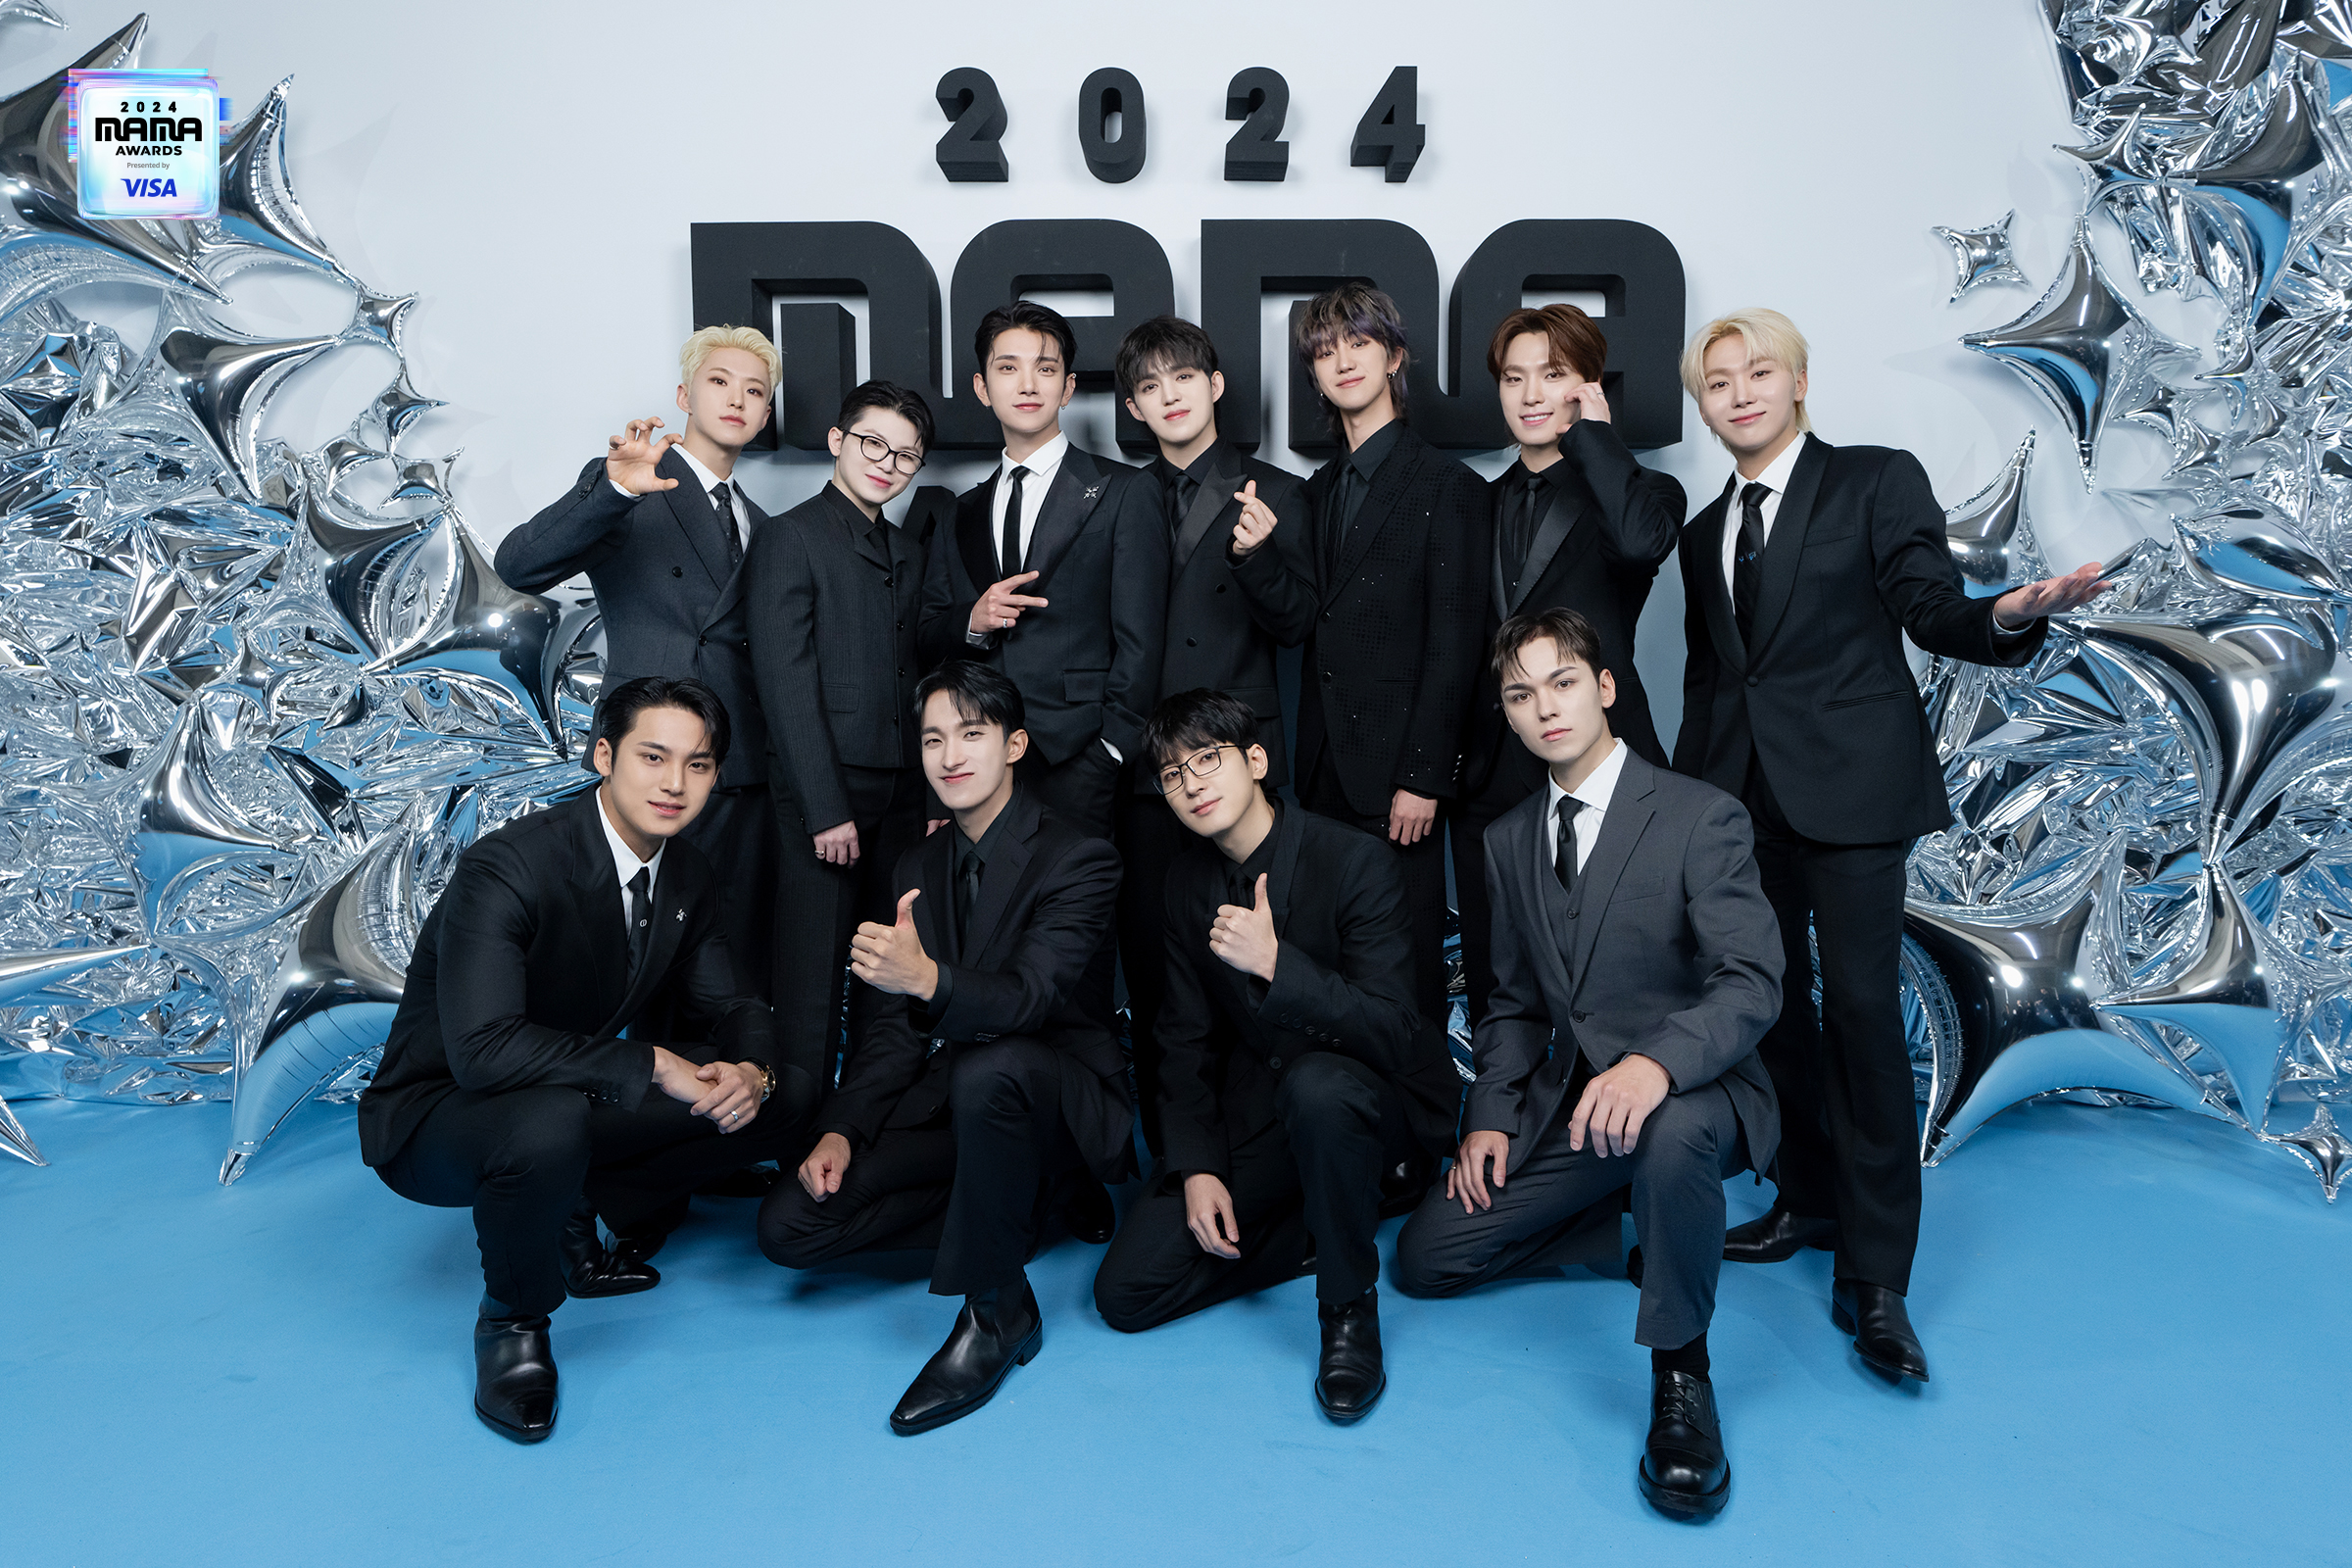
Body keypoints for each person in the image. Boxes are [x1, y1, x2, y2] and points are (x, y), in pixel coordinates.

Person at [1671, 309, 2107, 1384]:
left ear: (1798, 382)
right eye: (1718, 381)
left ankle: (1877, 1277)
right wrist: (1690, 806)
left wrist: (2008, 614)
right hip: (1742, 801)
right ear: (1704, 406)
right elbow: (1714, 679)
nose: (1739, 392)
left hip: (1854, 795)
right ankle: (1808, 1200)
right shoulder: (1702, 530)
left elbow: (1930, 611)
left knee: (1862, 1016)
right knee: (1766, 1006)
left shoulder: (1873, 479)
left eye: (1758, 372)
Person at [1394, 610, 1782, 1518]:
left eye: (1563, 683)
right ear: (1507, 714)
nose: (1545, 708)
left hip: (1696, 1093)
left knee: (1671, 1136)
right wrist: (1491, 1115)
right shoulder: (1507, 840)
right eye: (1520, 695)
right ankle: (1629, 1224)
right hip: (1576, 1110)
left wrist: (1657, 1065)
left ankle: (1682, 1374)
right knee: (1425, 1258)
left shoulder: (1699, 815)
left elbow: (1753, 980)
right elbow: (1514, 1003)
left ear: (1604, 688)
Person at [358, 677, 816, 1445]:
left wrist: (750, 1071)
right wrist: (656, 1066)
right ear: (604, 756)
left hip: (573, 1091)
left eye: (699, 765)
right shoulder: (509, 866)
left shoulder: (686, 871)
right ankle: (512, 1321)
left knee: (790, 1097)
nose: (675, 784)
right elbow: (482, 1052)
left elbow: (731, 1004)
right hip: (440, 1116)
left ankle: (586, 1206)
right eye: (652, 757)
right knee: (548, 1124)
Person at [757, 662, 1134, 1435]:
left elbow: (1029, 1000)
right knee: (789, 1225)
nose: (950, 756)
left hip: (1052, 1102)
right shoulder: (919, 865)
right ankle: (1015, 1210)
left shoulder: (1080, 857)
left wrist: (925, 977)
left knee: (995, 1065)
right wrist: (843, 1128)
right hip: (959, 1106)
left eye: (971, 734)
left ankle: (996, 1309)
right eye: (933, 740)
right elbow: (895, 1028)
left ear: (1015, 745)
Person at [1091, 689, 1459, 1423]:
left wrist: (1275, 965)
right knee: (1126, 1293)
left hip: (1372, 1093)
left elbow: (1393, 1030)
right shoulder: (1186, 882)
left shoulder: (1353, 859)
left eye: (1207, 759)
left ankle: (1347, 1303)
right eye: (1172, 774)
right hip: (1267, 1102)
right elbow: (1183, 1040)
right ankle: (1336, 1214)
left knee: (1321, 1088)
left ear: (1256, 760)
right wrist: (1198, 1166)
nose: (1191, 784)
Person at [494, 325, 784, 1011]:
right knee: (643, 947)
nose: (736, 399)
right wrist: (613, 491)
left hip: (743, 767)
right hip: (650, 757)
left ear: (766, 414)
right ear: (685, 395)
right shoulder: (634, 484)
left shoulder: (765, 524)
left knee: (733, 957)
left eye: (754, 391)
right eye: (719, 382)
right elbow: (518, 565)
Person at [1230, 283, 1486, 1028]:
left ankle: (1423, 1102)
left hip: (1401, 779)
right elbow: (1300, 623)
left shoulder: (1449, 485)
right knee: (1336, 963)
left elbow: (1455, 643)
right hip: (1323, 773)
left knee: (1409, 967)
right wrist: (1254, 558)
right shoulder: (1319, 491)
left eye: (1360, 343)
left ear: (1394, 357)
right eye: (1324, 351)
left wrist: (1424, 777)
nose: (1342, 360)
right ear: (1313, 374)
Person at [1110, 316, 1312, 1156]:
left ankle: (1263, 1150)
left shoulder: (1279, 491)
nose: (1170, 397)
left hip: (1239, 764)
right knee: (1157, 964)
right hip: (1144, 769)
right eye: (1150, 387)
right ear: (1133, 408)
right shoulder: (1117, 495)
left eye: (1184, 378)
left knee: (1253, 958)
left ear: (1216, 384)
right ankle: (1178, 1159)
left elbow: (1299, 623)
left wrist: (1259, 557)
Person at [1453, 305, 1684, 1029]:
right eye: (1513, 378)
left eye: (1552, 375)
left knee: (1617, 973)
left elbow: (1641, 545)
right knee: (1497, 979)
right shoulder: (1474, 503)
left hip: (1603, 764)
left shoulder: (1640, 494)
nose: (1530, 395)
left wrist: (1595, 437)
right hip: (1490, 772)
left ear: (1587, 386)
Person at [915, 299, 1169, 844]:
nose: (1028, 384)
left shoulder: (1125, 492)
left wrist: (1111, 750)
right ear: (983, 387)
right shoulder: (960, 511)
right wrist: (973, 621)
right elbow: (930, 633)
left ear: (1068, 387)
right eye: (1008, 367)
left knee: (1080, 896)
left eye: (1045, 368)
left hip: (1079, 756)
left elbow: (1142, 639)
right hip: (979, 761)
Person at [742, 380, 934, 1096]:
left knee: (893, 969)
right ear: (837, 441)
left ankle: (863, 1124)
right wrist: (825, 809)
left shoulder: (907, 550)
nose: (888, 464)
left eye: (906, 456)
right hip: (825, 792)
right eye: (873, 444)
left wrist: (931, 798)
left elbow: (918, 677)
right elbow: (785, 681)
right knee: (813, 978)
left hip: (903, 792)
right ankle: (798, 1132)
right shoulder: (789, 536)